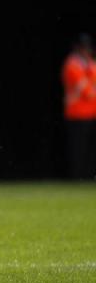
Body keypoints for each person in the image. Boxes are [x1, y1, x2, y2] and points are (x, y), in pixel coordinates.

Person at [61, 33, 96, 179]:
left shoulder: (91, 64)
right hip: (77, 114)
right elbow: (87, 91)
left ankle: (90, 176)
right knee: (79, 150)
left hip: (92, 113)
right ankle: (79, 178)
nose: (86, 51)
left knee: (91, 150)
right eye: (83, 48)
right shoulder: (72, 65)